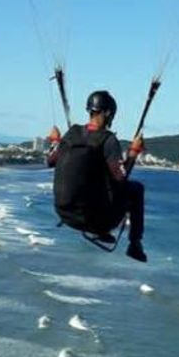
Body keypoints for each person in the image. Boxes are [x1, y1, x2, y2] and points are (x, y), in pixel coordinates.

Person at [47, 89, 147, 262]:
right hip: (94, 219)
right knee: (136, 189)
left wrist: (55, 142)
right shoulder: (108, 140)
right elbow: (121, 178)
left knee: (97, 178)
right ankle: (135, 244)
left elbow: (50, 161)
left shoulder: (72, 133)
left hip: (64, 213)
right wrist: (133, 152)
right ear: (108, 113)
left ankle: (103, 232)